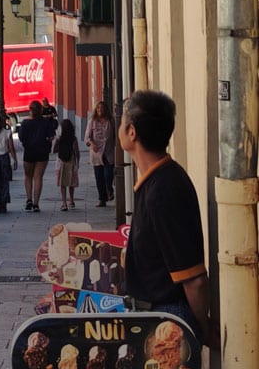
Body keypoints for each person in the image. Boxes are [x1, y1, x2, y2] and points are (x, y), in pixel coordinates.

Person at [119, 89, 218, 347]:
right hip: (154, 315)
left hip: (167, 320)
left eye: (122, 120)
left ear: (132, 132)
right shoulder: (154, 182)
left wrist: (202, 331)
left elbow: (194, 278)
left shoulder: (164, 189)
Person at [17, 99, 57, 212]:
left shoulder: (25, 123)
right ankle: (36, 204)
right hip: (42, 151)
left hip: (29, 151)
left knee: (28, 176)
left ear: (30, 110)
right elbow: (51, 136)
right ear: (40, 110)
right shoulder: (45, 122)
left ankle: (29, 199)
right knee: (38, 177)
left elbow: (21, 138)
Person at [85, 100, 115, 207]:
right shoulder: (92, 121)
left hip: (108, 152)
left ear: (105, 109)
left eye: (102, 108)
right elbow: (87, 138)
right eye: (98, 108)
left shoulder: (111, 121)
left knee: (108, 175)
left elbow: (116, 136)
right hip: (96, 154)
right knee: (99, 177)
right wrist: (92, 143)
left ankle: (109, 190)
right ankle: (102, 199)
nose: (100, 110)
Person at [54, 118, 79, 210]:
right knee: (71, 183)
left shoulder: (59, 139)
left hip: (61, 162)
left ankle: (64, 202)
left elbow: (54, 150)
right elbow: (76, 151)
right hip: (71, 162)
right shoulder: (74, 139)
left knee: (62, 183)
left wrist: (57, 139)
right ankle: (71, 200)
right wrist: (77, 162)